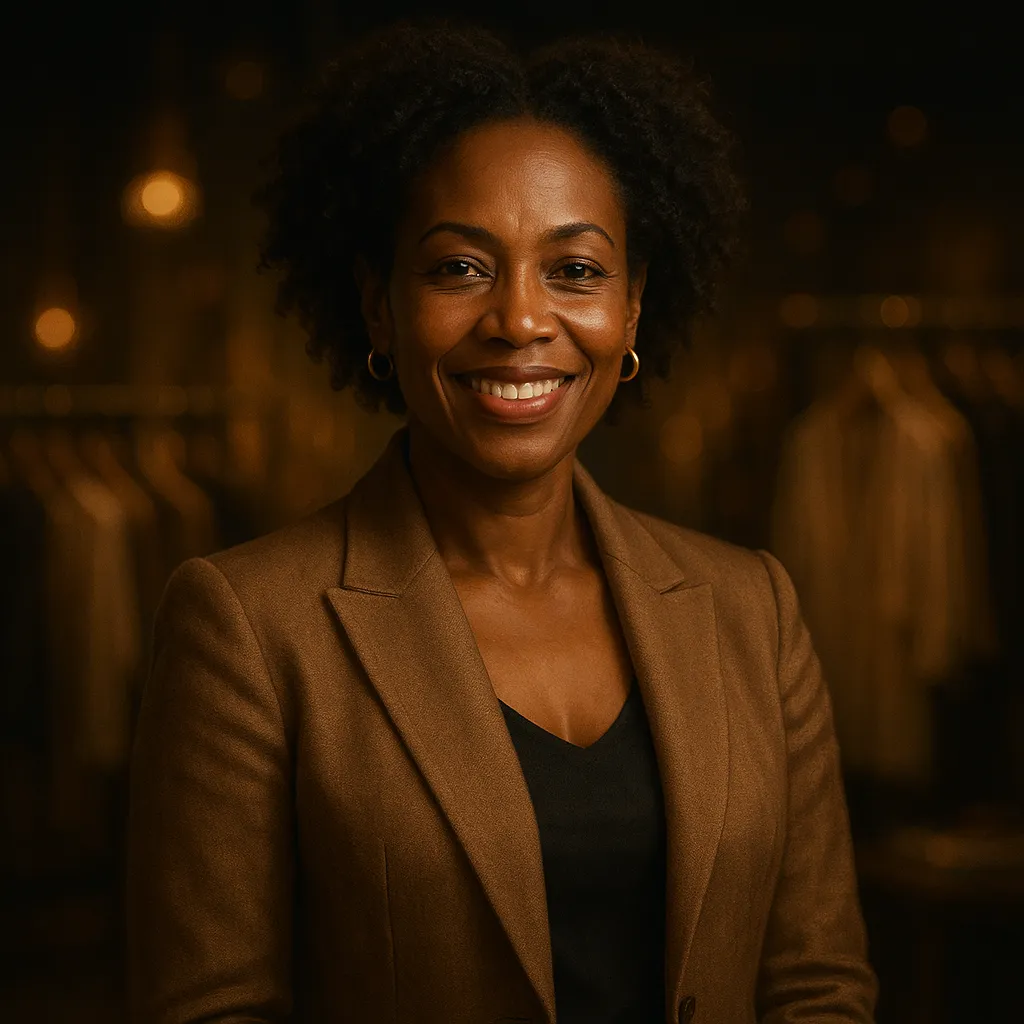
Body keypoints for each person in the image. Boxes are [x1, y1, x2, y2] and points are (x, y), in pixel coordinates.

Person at [126, 21, 878, 1024]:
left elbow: (817, 984)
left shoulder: (753, 608)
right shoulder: (249, 626)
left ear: (633, 307)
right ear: (379, 306)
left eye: (575, 270)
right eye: (459, 268)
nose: (520, 319)